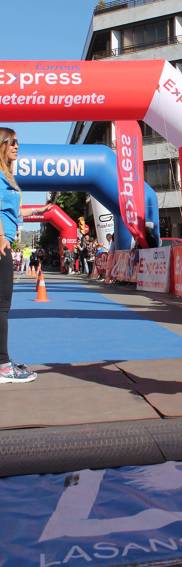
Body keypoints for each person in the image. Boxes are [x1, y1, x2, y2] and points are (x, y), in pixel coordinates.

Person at [0, 127, 51, 383]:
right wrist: (0, 237)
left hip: (4, 240)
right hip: (1, 244)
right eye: (12, 143)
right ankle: (2, 365)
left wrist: (37, 211)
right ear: (2, 145)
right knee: (1, 307)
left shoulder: (7, 176)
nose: (17, 147)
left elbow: (11, 214)